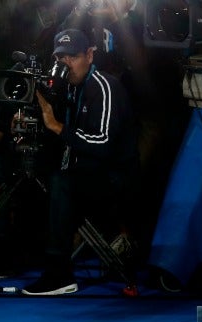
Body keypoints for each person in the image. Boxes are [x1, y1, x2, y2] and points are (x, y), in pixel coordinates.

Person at [18, 28, 138, 295]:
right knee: (32, 175)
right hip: (85, 172)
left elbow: (102, 144)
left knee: (62, 182)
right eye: (60, 58)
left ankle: (59, 274)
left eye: (72, 57)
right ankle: (18, 257)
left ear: (90, 54)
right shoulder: (66, 88)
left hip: (113, 179)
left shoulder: (105, 86)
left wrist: (57, 126)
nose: (66, 64)